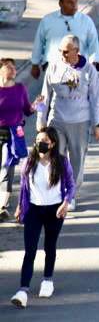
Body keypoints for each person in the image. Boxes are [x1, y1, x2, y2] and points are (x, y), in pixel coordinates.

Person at [10, 126, 74, 309]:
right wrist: (20, 207)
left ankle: (47, 279)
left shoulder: (61, 162)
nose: (40, 144)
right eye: (37, 141)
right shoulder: (30, 162)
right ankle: (23, 291)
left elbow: (70, 185)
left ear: (52, 144)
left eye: (44, 142)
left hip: (55, 210)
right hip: (34, 211)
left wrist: (66, 203)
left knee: (49, 247)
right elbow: (24, 187)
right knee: (29, 251)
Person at [39, 35, 99, 210]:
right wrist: (40, 120)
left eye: (66, 51)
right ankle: (57, 193)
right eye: (60, 50)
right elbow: (44, 96)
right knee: (55, 158)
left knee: (76, 161)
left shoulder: (89, 70)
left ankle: (70, 194)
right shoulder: (53, 67)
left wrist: (98, 124)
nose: (62, 54)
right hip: (57, 120)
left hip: (80, 122)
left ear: (76, 51)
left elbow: (96, 99)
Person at [30, 0, 99, 81]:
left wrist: (93, 64)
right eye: (70, 3)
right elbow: (39, 42)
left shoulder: (86, 21)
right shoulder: (47, 20)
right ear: (60, 4)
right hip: (53, 67)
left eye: (76, 2)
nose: (74, 5)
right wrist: (35, 64)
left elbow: (93, 43)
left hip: (79, 68)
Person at [0, 58, 33, 220]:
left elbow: (27, 110)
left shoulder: (20, 89)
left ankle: (2, 206)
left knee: (8, 169)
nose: (13, 70)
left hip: (14, 134)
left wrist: (35, 106)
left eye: (14, 67)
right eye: (9, 67)